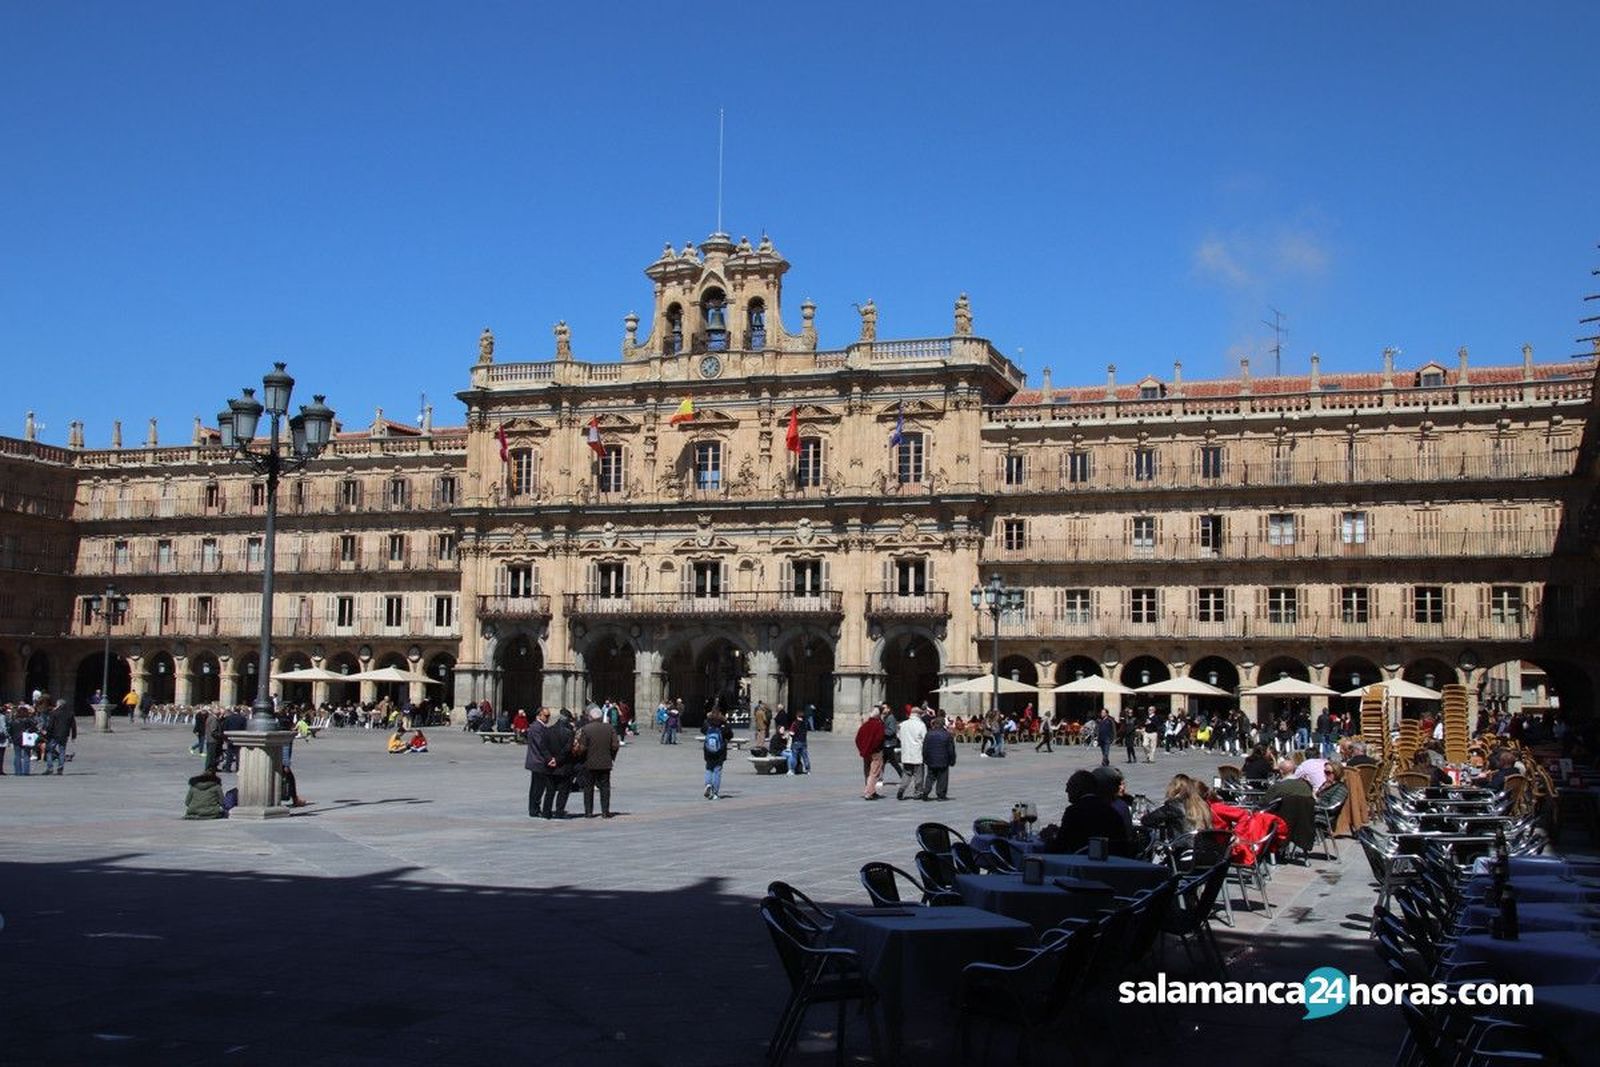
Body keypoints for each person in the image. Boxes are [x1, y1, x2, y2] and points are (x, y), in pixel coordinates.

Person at [1044, 767, 1135, 857]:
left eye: (1069, 786)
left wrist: (1049, 837)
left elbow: (1060, 846)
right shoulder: (1113, 809)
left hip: (1083, 863)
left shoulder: (1074, 811)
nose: (1066, 790)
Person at [576, 707, 620, 818]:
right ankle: (605, 812)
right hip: (605, 763)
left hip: (589, 763)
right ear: (601, 717)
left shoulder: (586, 729)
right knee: (605, 788)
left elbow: (582, 747)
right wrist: (611, 756)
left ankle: (589, 812)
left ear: (590, 717)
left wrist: (581, 757)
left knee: (588, 788)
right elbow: (615, 745)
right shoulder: (609, 728)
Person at [524, 708, 558, 817]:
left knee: (537, 787)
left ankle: (534, 808)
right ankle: (534, 810)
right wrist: (549, 759)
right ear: (539, 716)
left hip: (537, 761)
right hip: (538, 762)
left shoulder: (539, 727)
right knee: (537, 788)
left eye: (549, 716)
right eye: (546, 716)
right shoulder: (537, 728)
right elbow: (541, 745)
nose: (548, 718)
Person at [546, 709, 579, 818]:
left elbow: (544, 748)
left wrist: (551, 759)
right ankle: (559, 811)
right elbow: (568, 749)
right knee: (563, 791)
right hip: (565, 766)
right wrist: (558, 759)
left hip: (551, 766)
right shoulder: (569, 733)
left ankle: (547, 812)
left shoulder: (548, 730)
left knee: (550, 791)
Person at [919, 716, 956, 801]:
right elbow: (951, 750)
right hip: (943, 760)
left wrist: (925, 758)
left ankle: (926, 792)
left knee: (930, 777)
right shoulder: (947, 735)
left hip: (931, 760)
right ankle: (941, 795)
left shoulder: (929, 734)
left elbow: (925, 748)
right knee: (942, 777)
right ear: (943, 724)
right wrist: (952, 760)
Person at [855, 705, 887, 800]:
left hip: (866, 753)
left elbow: (857, 739)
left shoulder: (865, 725)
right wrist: (875, 748)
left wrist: (862, 749)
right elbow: (879, 739)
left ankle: (872, 791)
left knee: (867, 772)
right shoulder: (879, 725)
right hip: (876, 752)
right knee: (874, 773)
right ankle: (869, 793)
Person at [896, 706, 927, 800]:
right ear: (918, 715)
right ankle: (918, 792)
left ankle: (902, 788)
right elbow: (925, 739)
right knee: (918, 774)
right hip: (917, 753)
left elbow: (899, 736)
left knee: (907, 773)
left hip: (906, 754)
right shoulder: (921, 725)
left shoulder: (903, 724)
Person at [702, 708, 732, 800]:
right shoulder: (723, 724)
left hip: (708, 750)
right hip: (720, 751)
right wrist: (725, 722)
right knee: (717, 770)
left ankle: (708, 785)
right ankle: (714, 792)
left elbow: (702, 730)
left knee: (709, 768)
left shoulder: (707, 723)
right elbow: (730, 734)